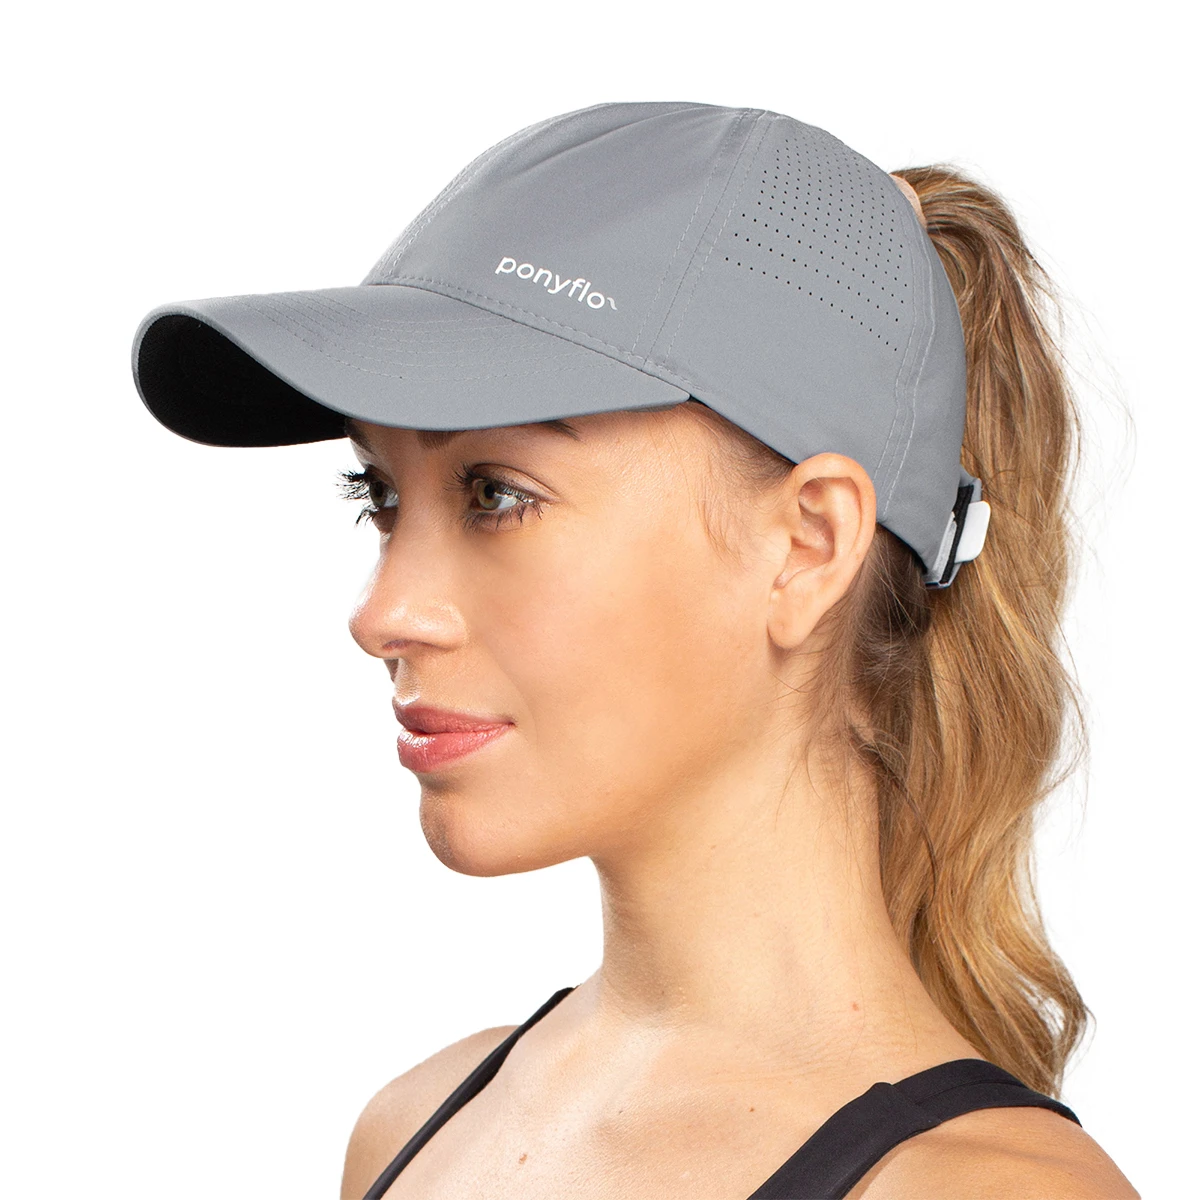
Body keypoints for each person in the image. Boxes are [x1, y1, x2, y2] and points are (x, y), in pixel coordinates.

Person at [130, 101, 1138, 1199]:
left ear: (806, 547)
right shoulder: (411, 1130)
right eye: (378, 494)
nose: (384, 614)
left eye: (496, 495)